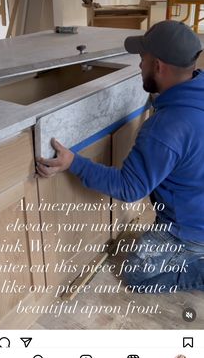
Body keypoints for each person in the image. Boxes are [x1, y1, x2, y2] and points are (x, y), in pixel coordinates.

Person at [36, 20, 204, 293]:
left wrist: (73, 162)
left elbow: (129, 187)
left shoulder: (165, 129)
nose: (139, 66)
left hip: (190, 229)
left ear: (159, 66)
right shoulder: (197, 88)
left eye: (143, 59)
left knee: (136, 275)